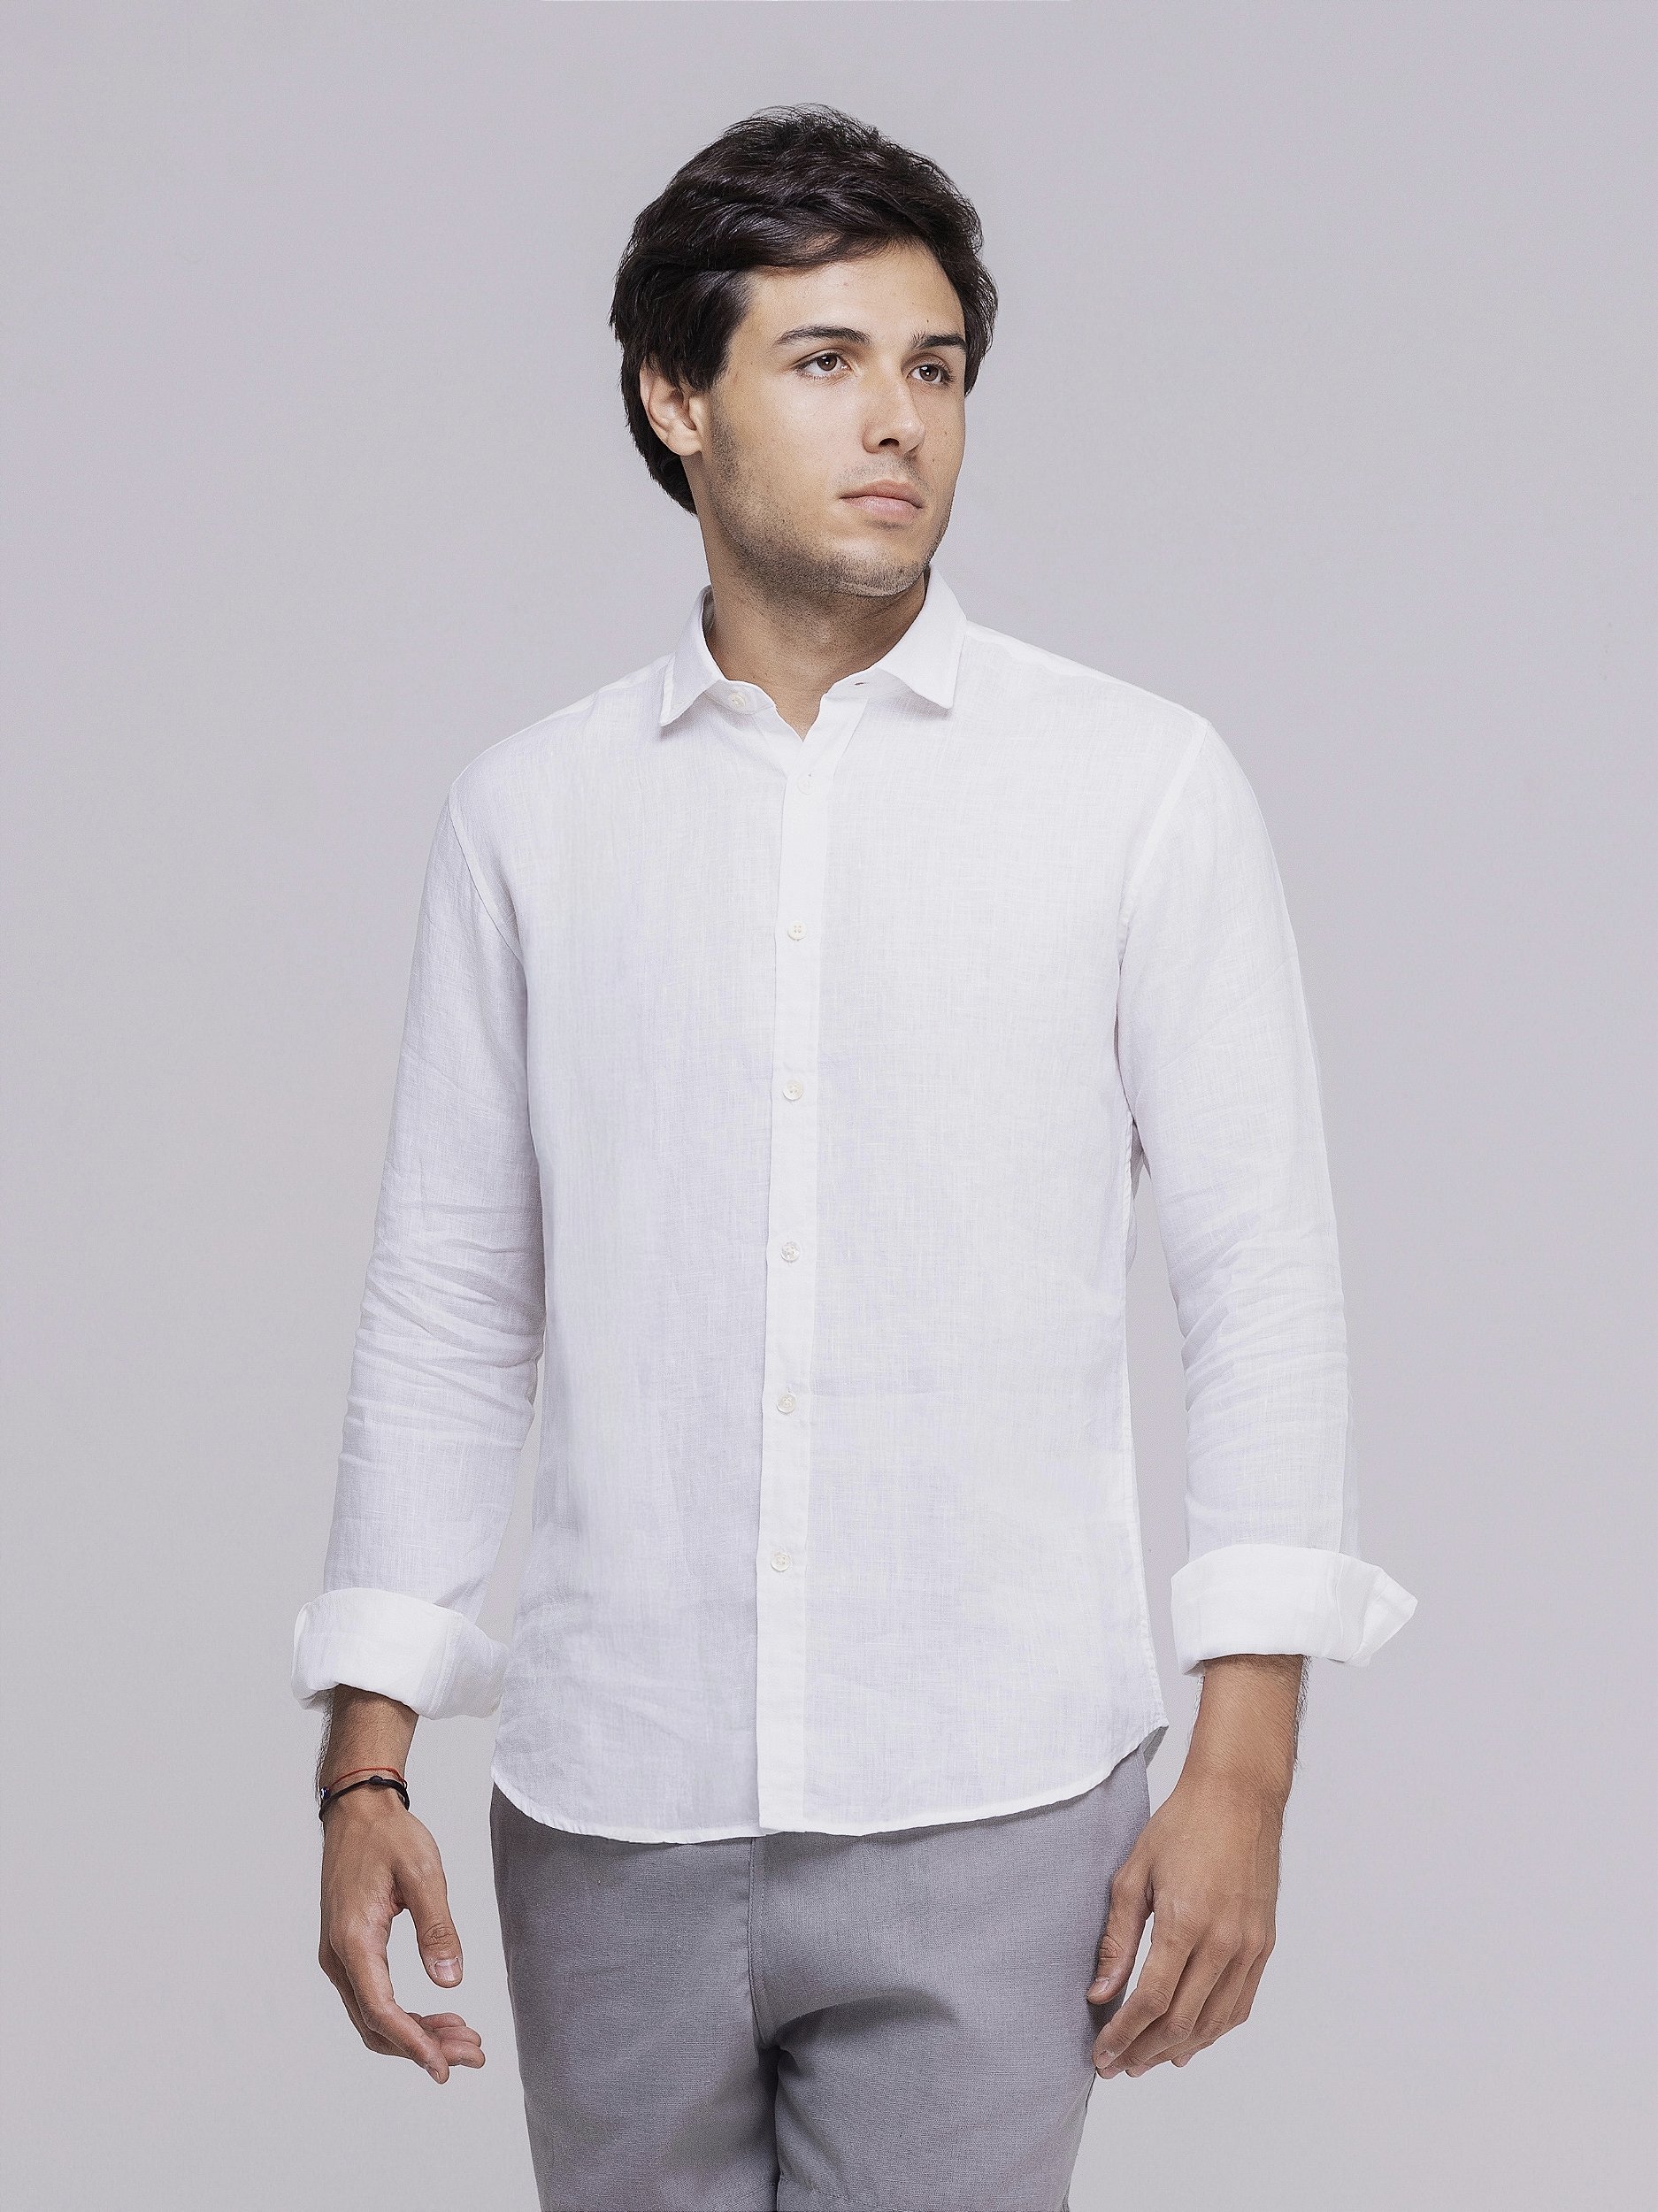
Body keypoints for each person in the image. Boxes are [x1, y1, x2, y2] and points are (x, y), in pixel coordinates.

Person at [291, 102, 1416, 2212]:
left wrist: (1245, 1765)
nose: (899, 418)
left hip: (995, 1794)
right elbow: (449, 1299)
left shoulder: (1136, 786)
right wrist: (365, 1759)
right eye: (824, 360)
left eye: (935, 365)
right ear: (674, 394)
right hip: (611, 1808)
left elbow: (1261, 1278)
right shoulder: (529, 816)